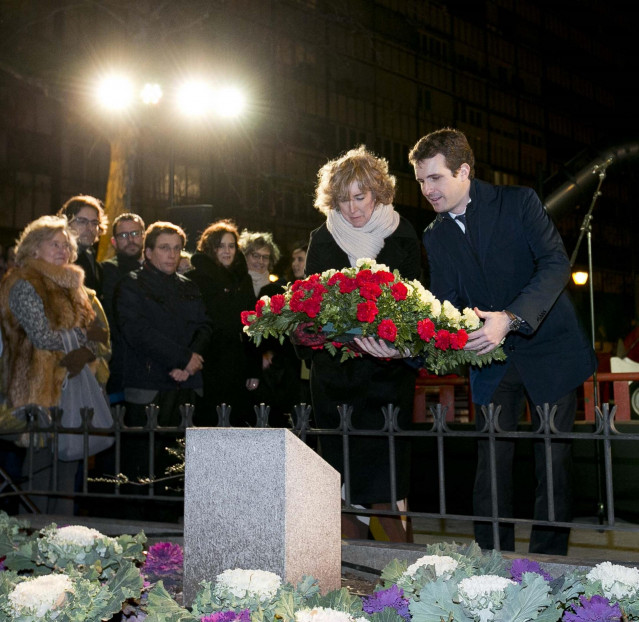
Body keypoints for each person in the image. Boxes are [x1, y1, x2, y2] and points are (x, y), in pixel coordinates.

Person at [408, 128, 597, 555]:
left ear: (464, 171)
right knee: (490, 465)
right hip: (490, 358)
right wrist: (414, 341)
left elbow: (554, 265)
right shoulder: (434, 235)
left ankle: (548, 567)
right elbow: (446, 303)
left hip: (550, 349)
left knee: (553, 462)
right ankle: (490, 565)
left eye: (435, 178)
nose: (427, 189)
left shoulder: (519, 202)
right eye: (420, 181)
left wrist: (509, 320)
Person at [304, 145, 421, 542]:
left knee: (387, 486)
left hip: (388, 380)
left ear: (378, 193)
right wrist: (345, 335)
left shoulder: (403, 234)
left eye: (360, 197)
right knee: (339, 483)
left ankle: (400, 571)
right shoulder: (322, 238)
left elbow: (420, 304)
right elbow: (308, 312)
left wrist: (395, 339)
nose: (353, 209)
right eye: (343, 200)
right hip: (335, 382)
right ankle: (348, 569)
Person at [0, 215, 110, 514]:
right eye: (54, 244)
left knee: (66, 478)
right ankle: (31, 551)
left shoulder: (73, 285)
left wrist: (85, 347)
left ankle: (65, 549)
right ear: (34, 249)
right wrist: (83, 338)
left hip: (71, 387)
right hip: (37, 389)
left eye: (66, 244)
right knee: (39, 476)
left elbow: (100, 337)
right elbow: (42, 336)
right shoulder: (23, 281)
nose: (63, 250)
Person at [115, 221, 211, 518]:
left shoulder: (189, 286)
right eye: (164, 248)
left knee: (178, 469)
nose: (172, 255)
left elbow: (205, 326)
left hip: (185, 386)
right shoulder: (130, 284)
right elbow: (139, 332)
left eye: (177, 248)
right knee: (141, 469)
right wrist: (182, 359)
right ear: (148, 252)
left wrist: (191, 361)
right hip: (148, 385)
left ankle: (173, 537)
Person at [185, 220, 260, 425]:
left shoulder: (242, 279)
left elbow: (251, 325)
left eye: (231, 245)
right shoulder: (195, 278)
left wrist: (254, 368)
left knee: (237, 422)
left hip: (238, 360)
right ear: (210, 248)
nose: (227, 251)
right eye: (220, 246)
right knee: (208, 422)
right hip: (207, 362)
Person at [100, 213, 146, 403]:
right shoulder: (104, 272)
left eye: (135, 233)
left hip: (149, 365)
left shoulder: (157, 271)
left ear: (144, 235)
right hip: (117, 363)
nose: (130, 240)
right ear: (113, 241)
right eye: (124, 235)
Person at [57, 195, 108, 296]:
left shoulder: (91, 258)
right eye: (82, 221)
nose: (90, 228)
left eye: (94, 223)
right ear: (67, 222)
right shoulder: (58, 257)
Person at [238, 230, 281, 297]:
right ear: (245, 256)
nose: (261, 261)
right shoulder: (236, 285)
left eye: (265, 257)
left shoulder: (278, 292)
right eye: (256, 256)